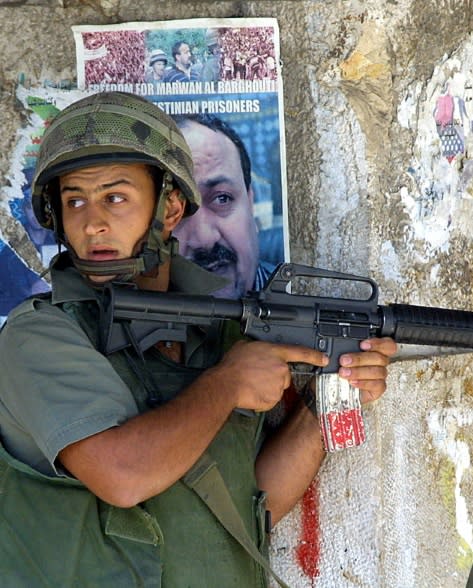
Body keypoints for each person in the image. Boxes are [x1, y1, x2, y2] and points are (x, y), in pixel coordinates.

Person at [0, 91, 396, 586]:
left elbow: (251, 510)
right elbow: (122, 476)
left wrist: (329, 401)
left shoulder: (220, 333)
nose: (92, 221)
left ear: (169, 208)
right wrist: (227, 383)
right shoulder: (39, 335)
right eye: (74, 199)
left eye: (114, 197)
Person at [172, 113, 276, 298]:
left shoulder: (301, 292)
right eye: (173, 211)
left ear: (250, 204)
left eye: (222, 199)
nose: (204, 239)